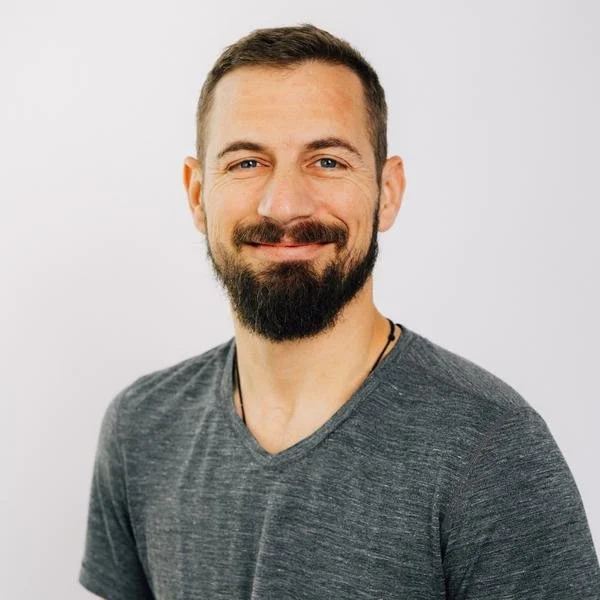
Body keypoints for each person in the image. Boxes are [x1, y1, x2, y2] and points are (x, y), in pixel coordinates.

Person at [79, 24, 600, 599]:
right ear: (197, 194)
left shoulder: (491, 449)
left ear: (387, 191)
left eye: (326, 161)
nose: (283, 205)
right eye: (247, 163)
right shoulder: (140, 428)